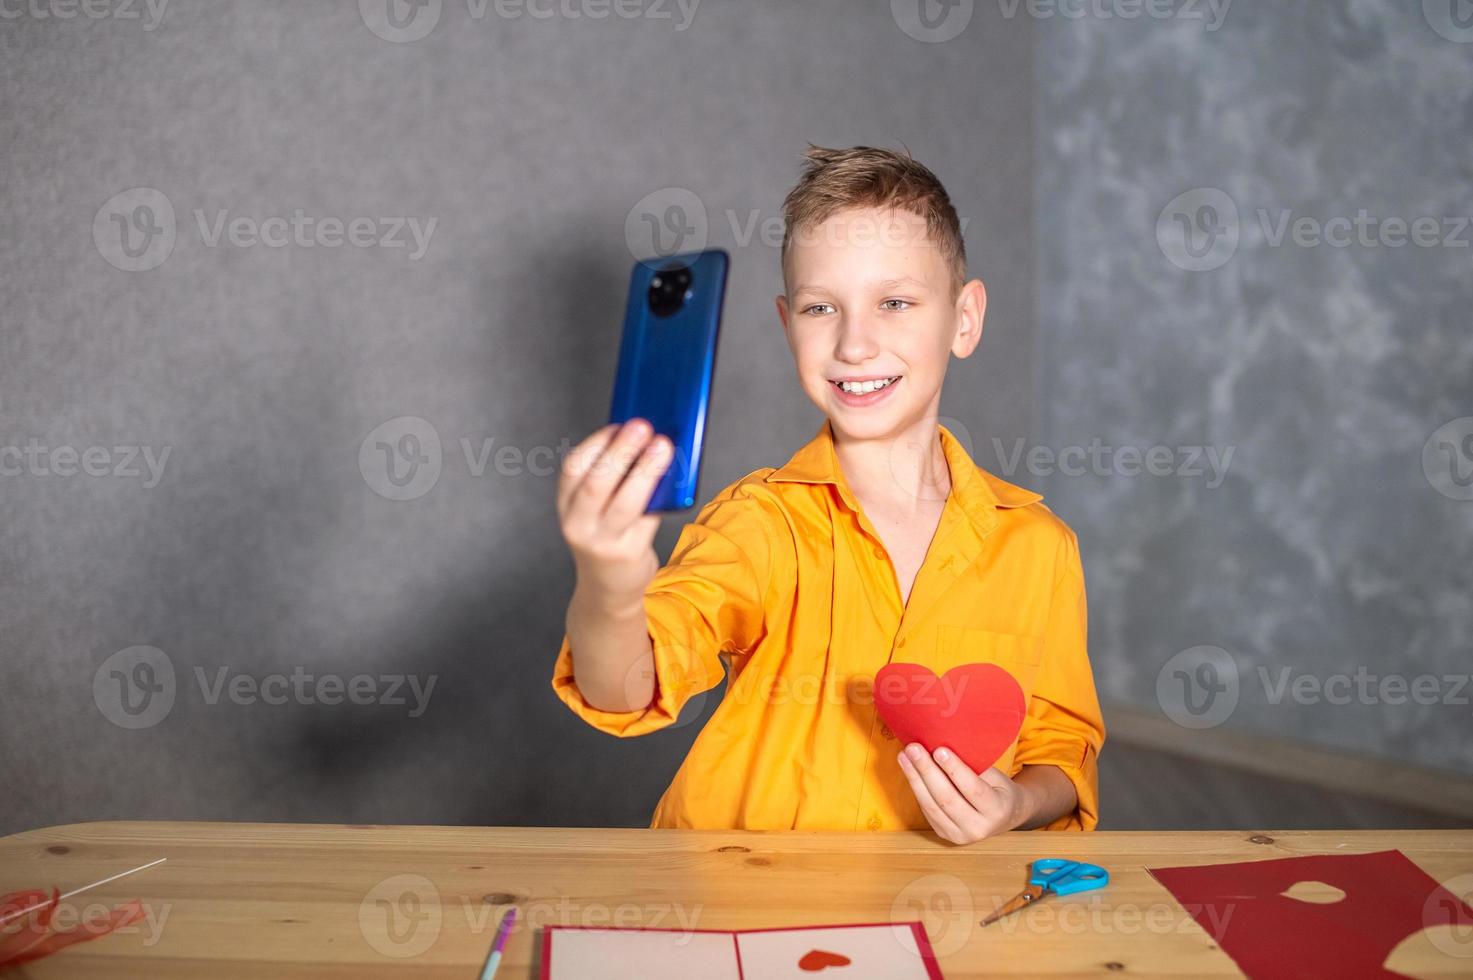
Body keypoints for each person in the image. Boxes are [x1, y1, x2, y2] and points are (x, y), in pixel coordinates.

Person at [551, 145, 1105, 842]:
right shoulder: (755, 523)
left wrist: (1017, 805)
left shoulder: (1037, 546)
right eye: (821, 308)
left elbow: (1060, 749)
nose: (853, 344)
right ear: (788, 326)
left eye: (894, 302)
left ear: (963, 320)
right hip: (738, 908)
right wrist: (607, 583)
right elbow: (621, 689)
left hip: (935, 914)